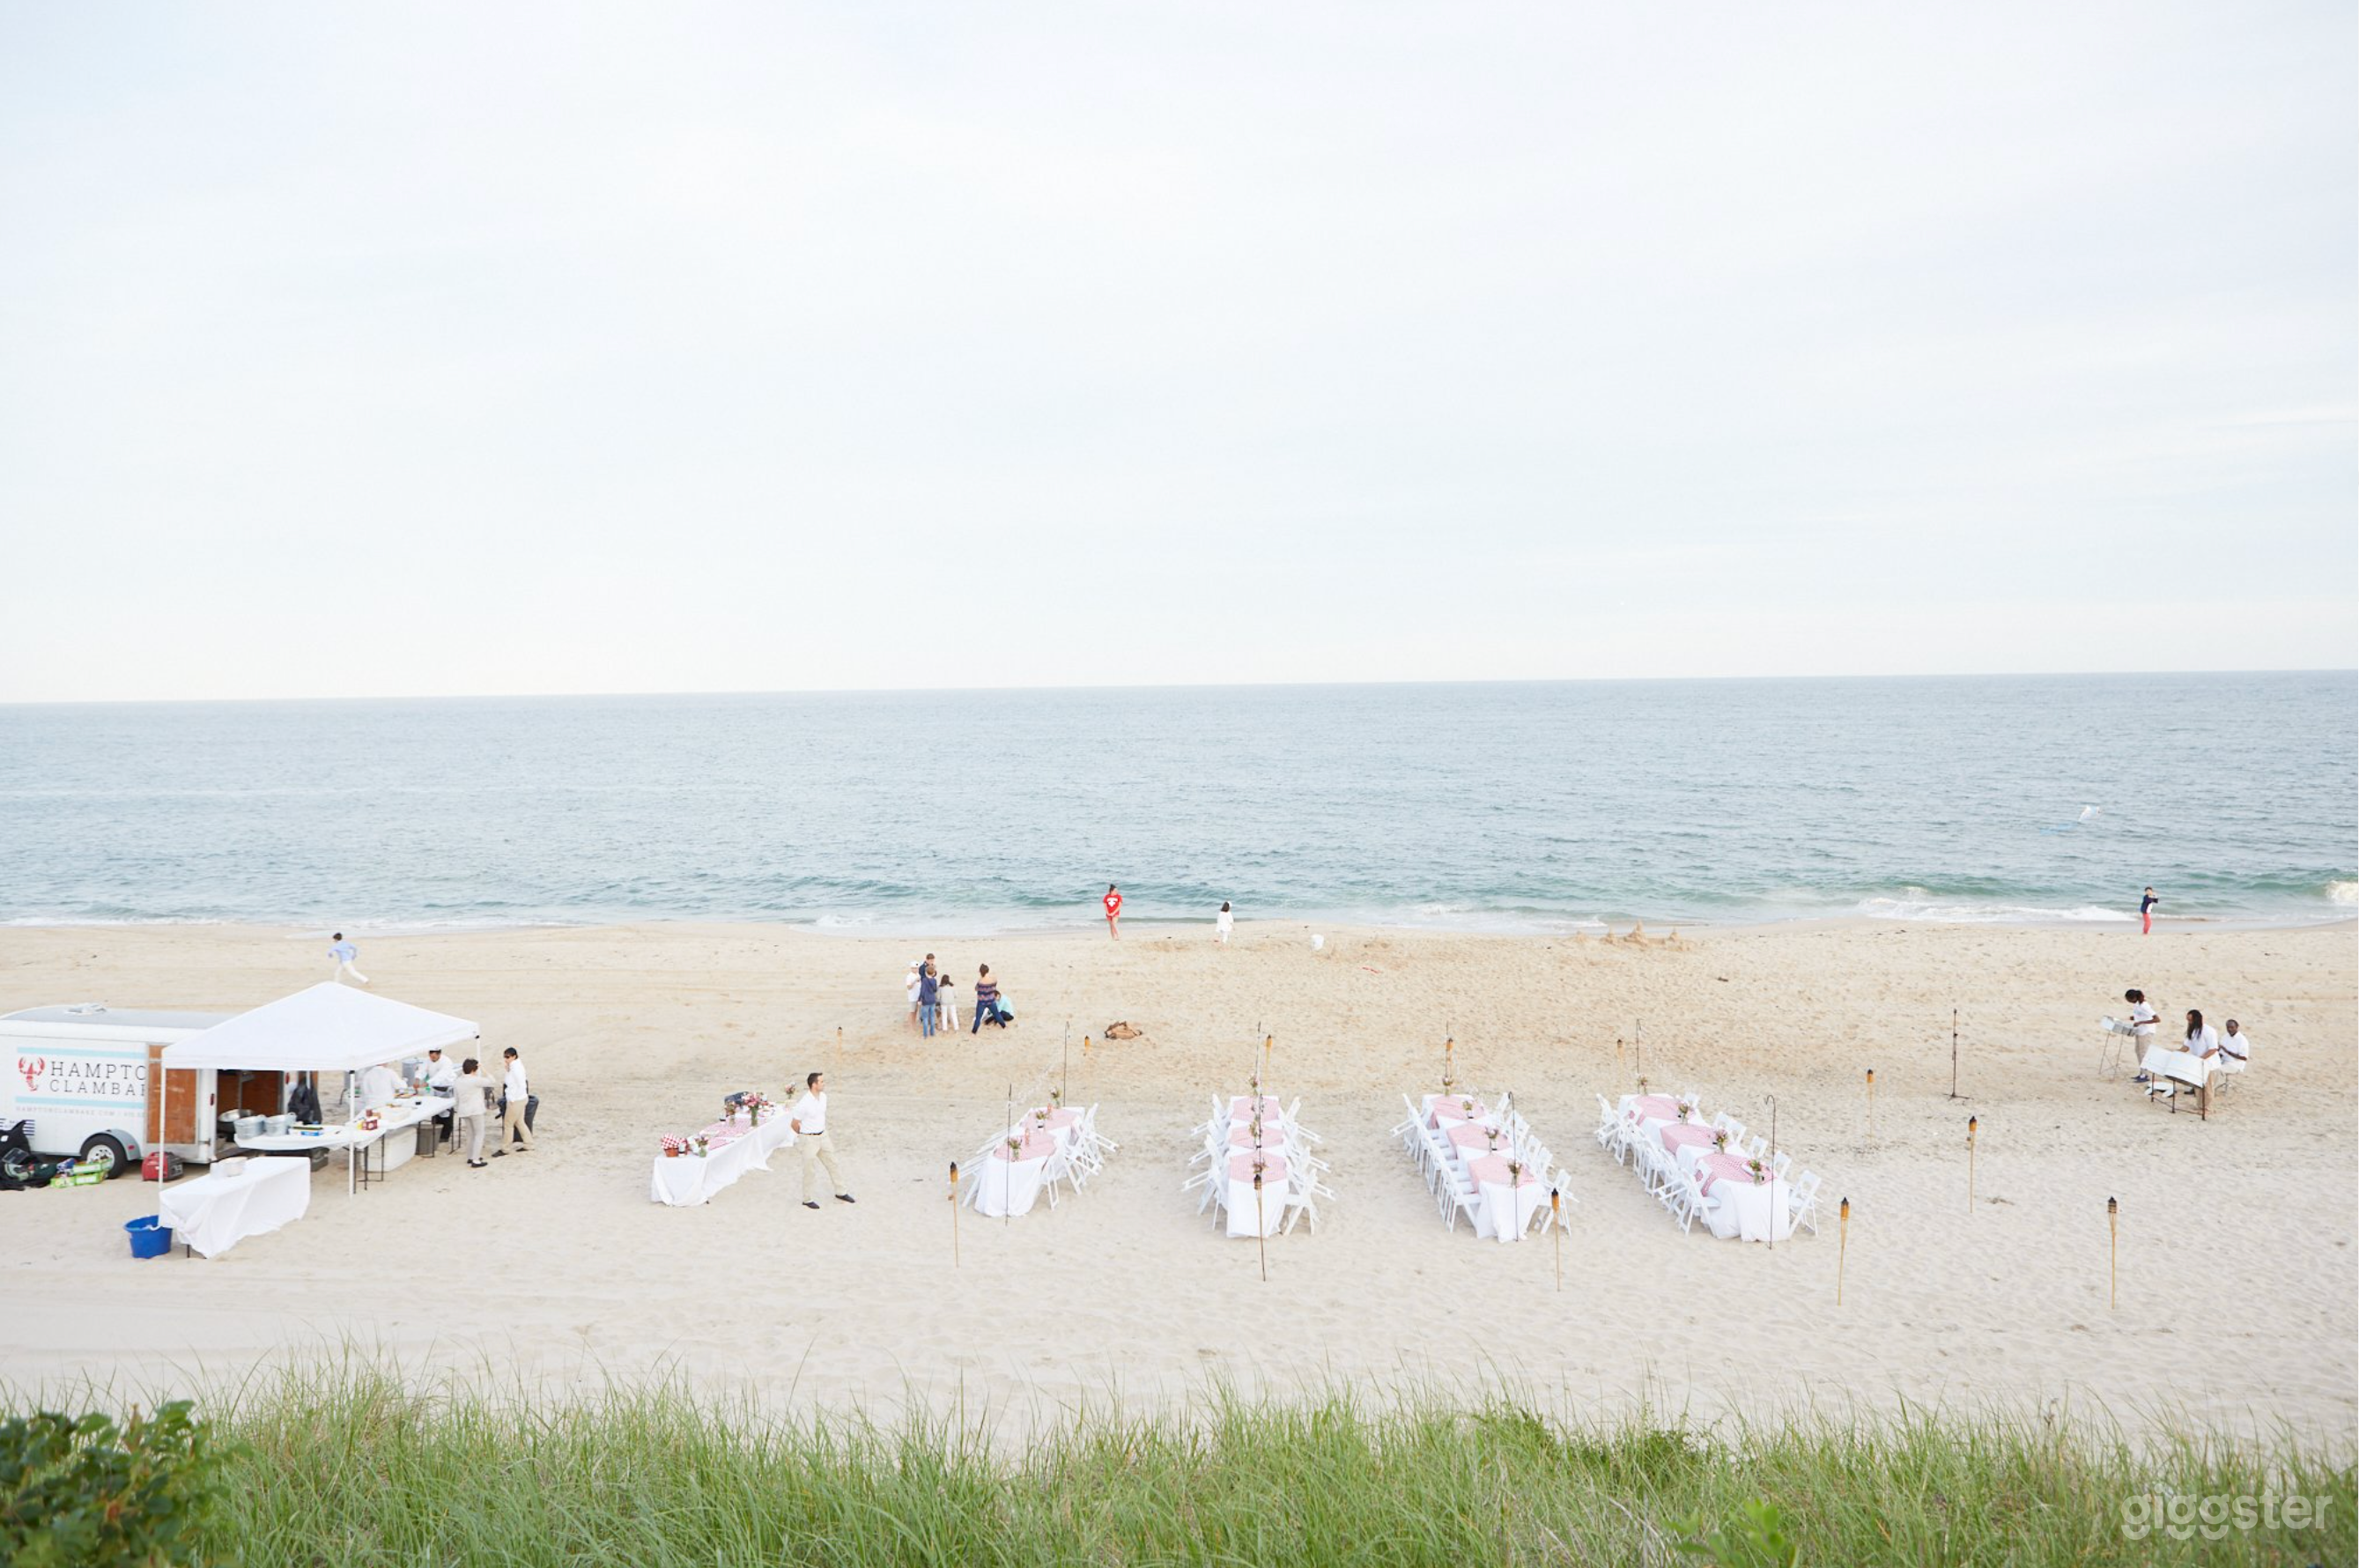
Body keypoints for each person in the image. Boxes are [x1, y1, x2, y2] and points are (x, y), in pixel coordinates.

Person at [788, 1069, 853, 1210]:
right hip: (808, 1140)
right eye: (821, 1081)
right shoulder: (803, 1103)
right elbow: (794, 1124)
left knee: (833, 1164)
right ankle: (807, 1199)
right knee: (809, 1171)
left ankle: (841, 1192)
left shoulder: (824, 1097)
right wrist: (804, 1136)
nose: (824, 1084)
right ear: (814, 1084)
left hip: (824, 1137)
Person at [452, 1056, 493, 1167]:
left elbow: (456, 1098)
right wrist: (483, 1068)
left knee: (470, 1134)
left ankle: (470, 1157)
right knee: (479, 1134)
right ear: (474, 1069)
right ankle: (475, 1160)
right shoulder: (475, 1080)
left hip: (464, 1110)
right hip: (476, 1110)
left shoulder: (458, 1081)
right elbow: (492, 1081)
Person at [496, 1046, 535, 1154]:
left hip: (516, 1100)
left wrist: (513, 1098)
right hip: (521, 1098)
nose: (506, 1059)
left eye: (508, 1057)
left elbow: (521, 1084)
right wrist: (508, 1069)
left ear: (514, 1056)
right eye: (505, 1057)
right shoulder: (514, 1066)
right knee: (520, 1122)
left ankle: (505, 1148)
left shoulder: (516, 1068)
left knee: (508, 1124)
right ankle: (529, 1144)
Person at [2125, 989, 2158, 1082]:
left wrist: (2141, 1022)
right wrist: (2134, 1018)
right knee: (2138, 1051)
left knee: (2143, 1053)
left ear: (2134, 998)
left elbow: (2157, 1019)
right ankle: (2142, 1073)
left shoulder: (2145, 1006)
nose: (2128, 1001)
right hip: (2140, 1031)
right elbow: (2140, 1015)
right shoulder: (2137, 1004)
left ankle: (2146, 1075)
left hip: (2147, 1032)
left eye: (2129, 999)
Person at [970, 964, 1002, 1032]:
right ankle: (1003, 1026)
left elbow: (976, 989)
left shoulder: (980, 981)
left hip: (982, 1002)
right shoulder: (993, 980)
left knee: (978, 1018)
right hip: (991, 1001)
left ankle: (974, 1031)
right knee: (997, 1014)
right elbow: (995, 984)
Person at [917, 963, 940, 1039]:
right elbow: (935, 990)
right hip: (932, 1000)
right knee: (932, 1016)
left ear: (926, 973)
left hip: (926, 1001)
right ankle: (932, 1033)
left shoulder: (924, 980)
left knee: (925, 1018)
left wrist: (920, 999)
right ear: (933, 973)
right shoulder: (934, 980)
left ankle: (925, 1034)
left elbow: (922, 991)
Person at [905, 961, 922, 1032]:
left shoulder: (918, 974)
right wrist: (915, 981)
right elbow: (909, 987)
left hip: (918, 996)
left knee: (916, 1011)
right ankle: (910, 1026)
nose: (916, 970)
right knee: (912, 1012)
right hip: (912, 997)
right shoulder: (909, 976)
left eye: (917, 968)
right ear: (911, 968)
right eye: (914, 968)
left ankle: (914, 1024)